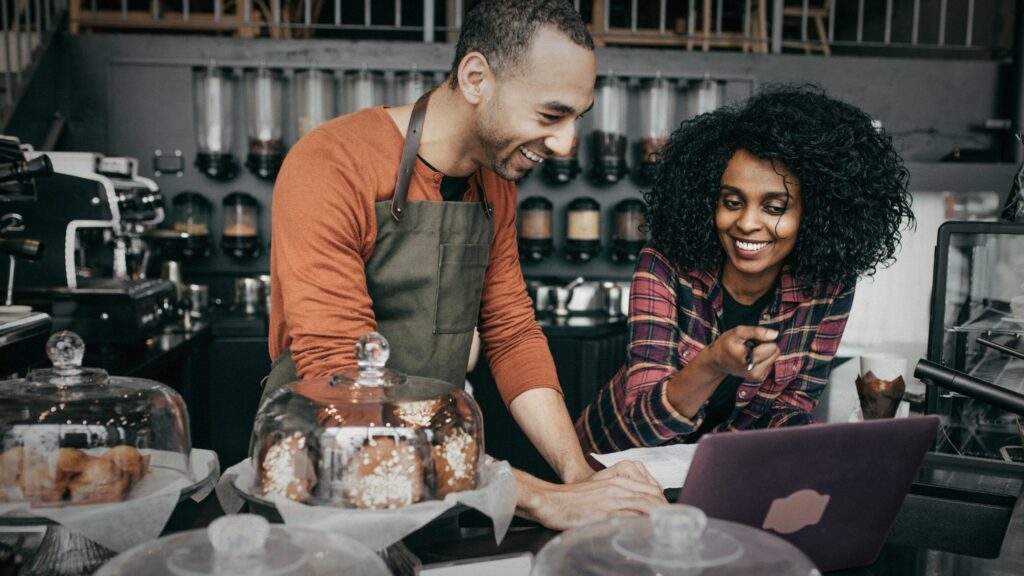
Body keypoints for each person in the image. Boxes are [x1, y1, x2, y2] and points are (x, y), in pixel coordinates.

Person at [268, 0, 664, 529]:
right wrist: (538, 496)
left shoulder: (493, 184)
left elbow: (511, 331)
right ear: (476, 77)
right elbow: (345, 384)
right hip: (325, 481)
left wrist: (577, 475)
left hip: (436, 480)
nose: (567, 144)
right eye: (551, 115)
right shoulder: (331, 164)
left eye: (577, 118)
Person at [576, 84, 914, 455]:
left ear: (815, 214)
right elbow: (643, 422)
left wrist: (828, 445)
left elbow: (792, 406)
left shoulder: (828, 285)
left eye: (774, 207)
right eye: (732, 201)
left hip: (717, 470)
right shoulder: (664, 265)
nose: (747, 223)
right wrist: (715, 362)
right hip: (612, 463)